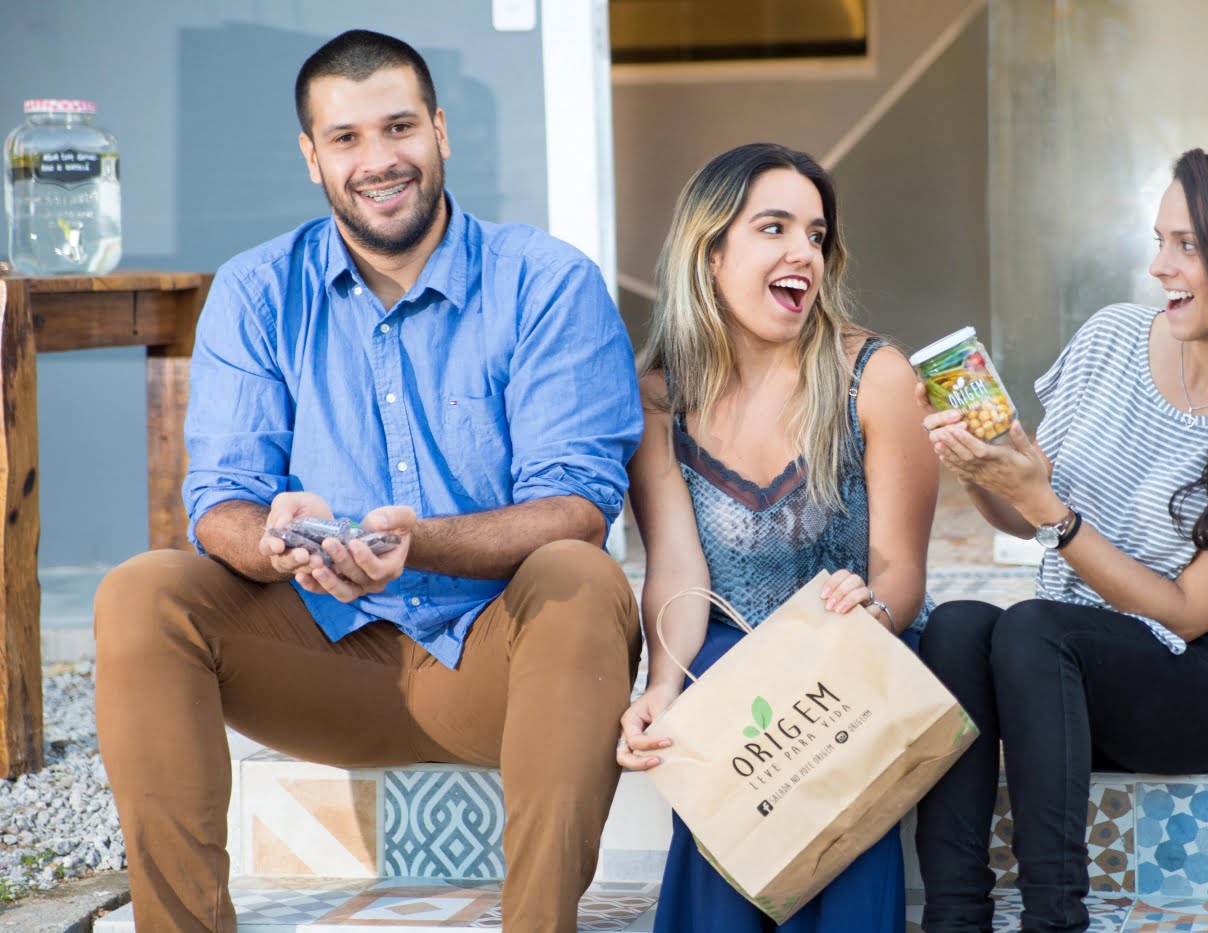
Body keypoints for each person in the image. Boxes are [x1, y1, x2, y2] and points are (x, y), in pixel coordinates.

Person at [93, 29, 643, 933]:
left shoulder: (545, 284)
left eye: (399, 128)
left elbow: (577, 504)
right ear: (311, 157)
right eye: (346, 138)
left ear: (439, 131)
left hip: (502, 665)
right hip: (322, 656)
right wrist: (270, 542)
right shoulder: (258, 290)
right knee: (142, 592)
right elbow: (220, 498)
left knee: (583, 577)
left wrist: (415, 541)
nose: (379, 160)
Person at [914, 142, 1208, 933]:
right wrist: (982, 473)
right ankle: (956, 917)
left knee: (1033, 628)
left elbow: (1186, 611)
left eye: (1188, 245)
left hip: (1201, 680)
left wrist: (1051, 511)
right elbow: (1029, 509)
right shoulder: (1110, 340)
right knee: (956, 627)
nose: (1160, 266)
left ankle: (1056, 918)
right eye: (1160, 240)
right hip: (1059, 669)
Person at [616, 142, 939, 932]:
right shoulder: (659, 396)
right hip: (727, 650)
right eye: (775, 228)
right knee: (723, 708)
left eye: (817, 235)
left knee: (825, 726)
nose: (804, 253)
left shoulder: (877, 376)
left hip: (856, 650)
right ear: (712, 249)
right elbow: (680, 570)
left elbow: (902, 572)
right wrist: (662, 688)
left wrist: (870, 609)